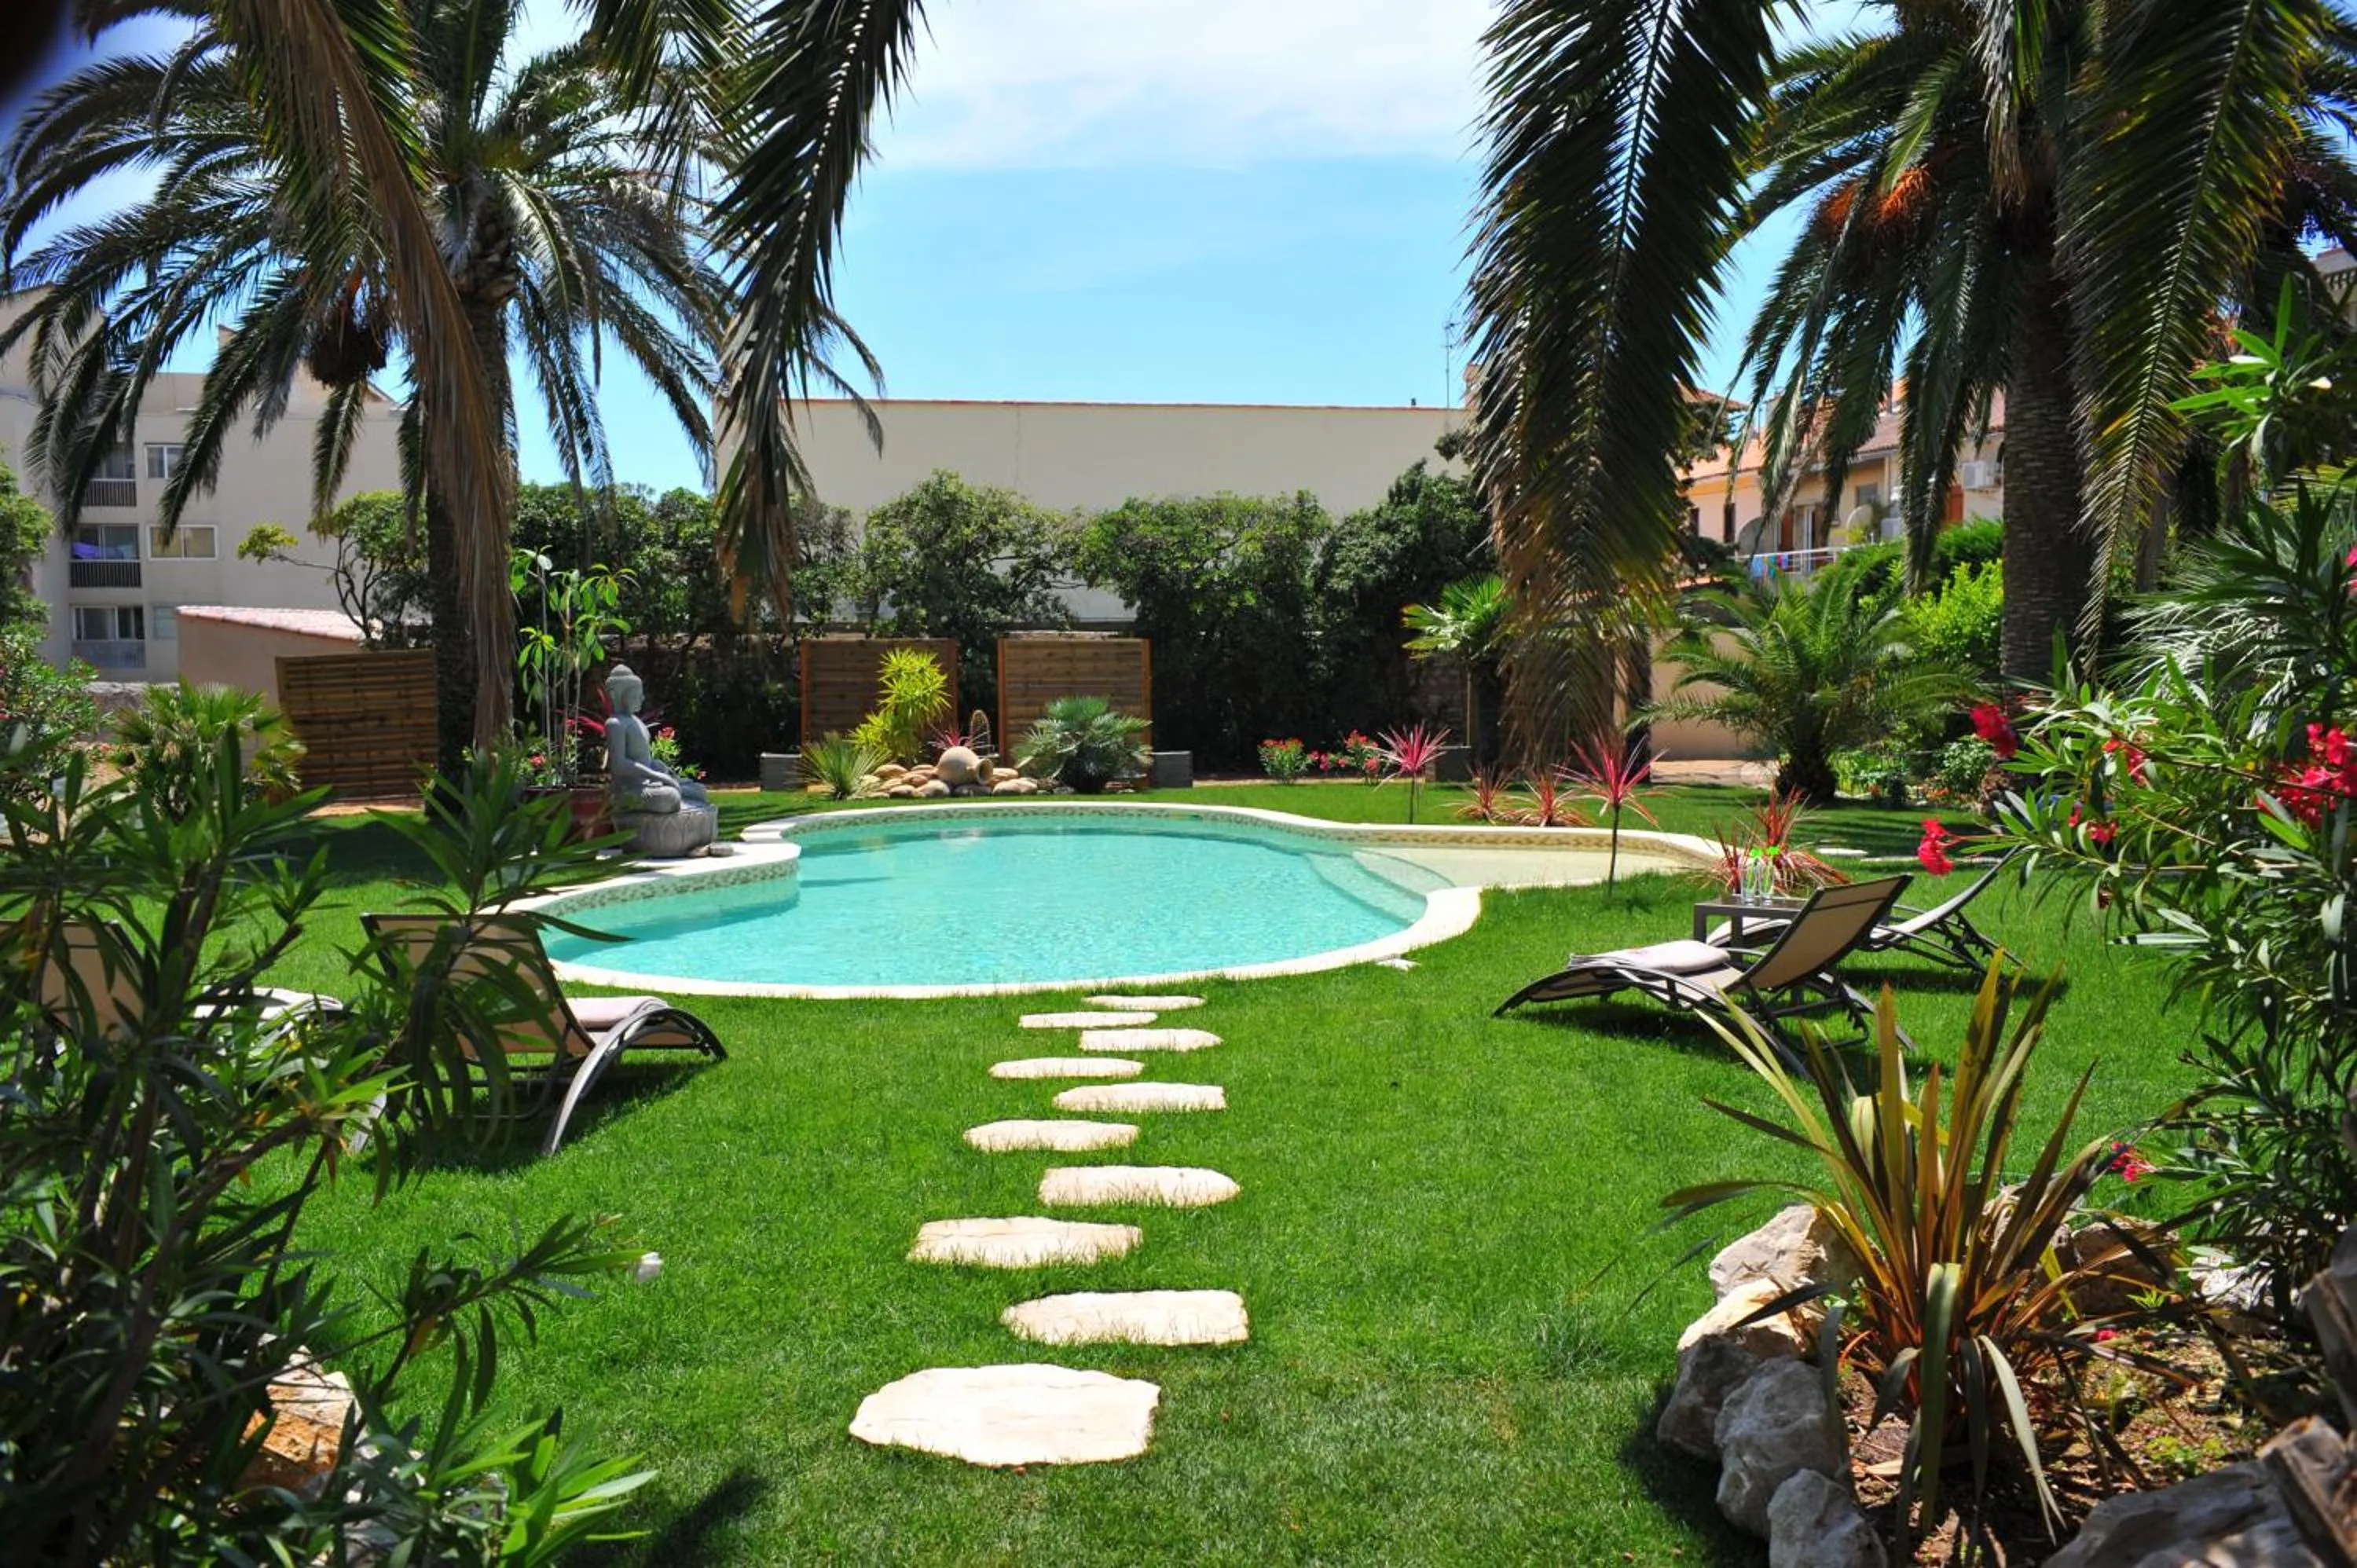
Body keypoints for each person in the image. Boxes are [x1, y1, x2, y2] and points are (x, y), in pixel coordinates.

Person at [603, 664, 708, 815]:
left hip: (650, 782)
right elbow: (619, 765)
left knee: (699, 792)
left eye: (641, 694)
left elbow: (643, 758)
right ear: (617, 696)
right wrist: (655, 776)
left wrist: (659, 768)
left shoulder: (636, 722)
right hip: (630, 789)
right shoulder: (615, 724)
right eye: (635, 695)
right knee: (669, 798)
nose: (642, 698)